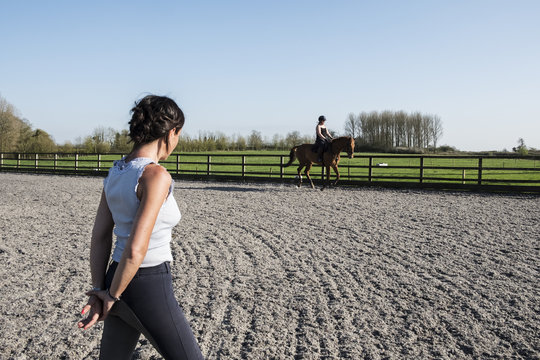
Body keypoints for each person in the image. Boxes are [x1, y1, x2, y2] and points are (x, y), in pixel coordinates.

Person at [77, 95, 204, 360]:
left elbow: (100, 237)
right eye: (179, 136)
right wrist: (111, 296)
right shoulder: (155, 175)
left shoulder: (116, 172)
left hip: (114, 277)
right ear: (172, 133)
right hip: (148, 283)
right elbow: (136, 250)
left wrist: (101, 290)